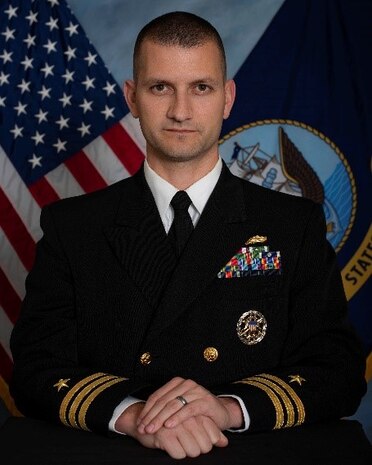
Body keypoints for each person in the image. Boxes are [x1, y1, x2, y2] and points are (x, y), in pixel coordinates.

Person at [9, 11, 366, 460]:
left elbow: (339, 369)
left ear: (228, 98)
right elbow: (35, 369)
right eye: (161, 88)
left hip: (248, 452)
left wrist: (225, 408)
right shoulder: (73, 226)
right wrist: (135, 415)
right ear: (133, 98)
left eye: (201, 87)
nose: (181, 111)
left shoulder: (293, 225)